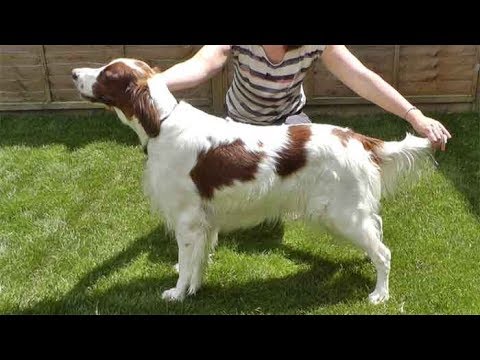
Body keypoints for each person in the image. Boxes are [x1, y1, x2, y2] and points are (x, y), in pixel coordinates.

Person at [157, 45, 451, 150]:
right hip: (240, 123)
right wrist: (156, 84)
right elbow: (204, 63)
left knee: (296, 184)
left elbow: (362, 78)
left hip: (289, 122)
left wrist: (415, 116)